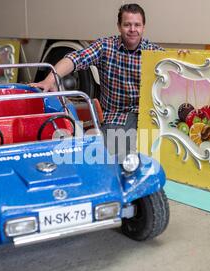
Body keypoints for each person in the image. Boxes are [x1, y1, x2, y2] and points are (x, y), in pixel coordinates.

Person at [30, 3, 164, 158]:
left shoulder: (155, 52)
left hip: (145, 117)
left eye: (137, 25)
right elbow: (76, 58)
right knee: (108, 160)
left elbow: (174, 69)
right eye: (127, 24)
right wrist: (49, 80)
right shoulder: (105, 46)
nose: (132, 29)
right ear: (119, 27)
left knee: (150, 158)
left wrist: (183, 57)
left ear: (143, 27)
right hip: (115, 117)